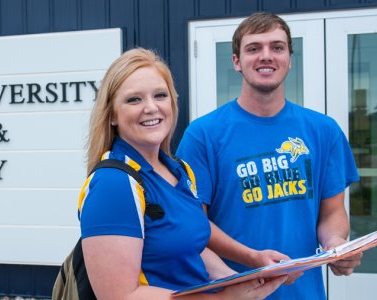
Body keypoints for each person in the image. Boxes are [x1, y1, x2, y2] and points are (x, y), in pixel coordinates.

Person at [175, 12, 362, 299]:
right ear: (236, 61)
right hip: (233, 293)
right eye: (254, 48)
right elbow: (192, 225)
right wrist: (254, 260)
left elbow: (333, 213)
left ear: (288, 57)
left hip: (305, 293)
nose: (266, 56)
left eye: (277, 47)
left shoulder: (323, 130)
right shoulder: (203, 135)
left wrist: (335, 243)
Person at [79, 47, 286, 299]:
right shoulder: (113, 184)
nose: (151, 107)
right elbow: (120, 296)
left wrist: (238, 277)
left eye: (160, 95)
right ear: (112, 114)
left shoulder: (179, 170)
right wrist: (223, 299)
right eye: (134, 99)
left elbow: (190, 246)